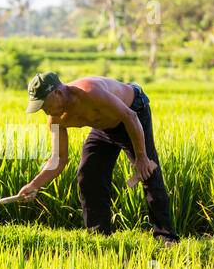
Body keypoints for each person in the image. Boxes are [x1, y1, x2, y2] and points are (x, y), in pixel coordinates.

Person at [17, 72, 179, 247]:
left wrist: (141, 157)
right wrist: (34, 185)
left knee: (147, 171)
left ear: (57, 93)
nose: (44, 110)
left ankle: (166, 237)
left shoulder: (89, 92)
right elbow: (59, 159)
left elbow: (130, 116)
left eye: (44, 104)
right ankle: (99, 237)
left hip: (133, 113)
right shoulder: (55, 120)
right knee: (88, 174)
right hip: (104, 127)